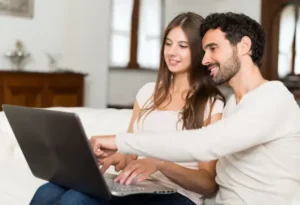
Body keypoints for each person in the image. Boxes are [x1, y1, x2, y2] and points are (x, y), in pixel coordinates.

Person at [90, 12, 300, 205]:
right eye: (204, 50)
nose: (205, 59)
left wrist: (120, 142)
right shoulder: (234, 105)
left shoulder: (272, 100)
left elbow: (205, 142)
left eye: (213, 49)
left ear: (244, 46)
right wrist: (124, 156)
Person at [30, 12, 226, 205]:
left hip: (178, 195)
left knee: (75, 200)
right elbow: (131, 154)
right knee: (48, 191)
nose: (171, 52)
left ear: (199, 50)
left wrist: (160, 164)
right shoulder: (147, 93)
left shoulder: (211, 103)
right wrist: (112, 157)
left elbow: (208, 183)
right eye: (168, 43)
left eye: (182, 46)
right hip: (138, 185)